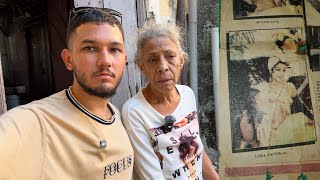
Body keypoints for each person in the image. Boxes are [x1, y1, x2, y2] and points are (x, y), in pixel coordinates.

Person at [0, 7, 133, 179]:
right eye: (90, 48)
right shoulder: (37, 122)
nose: (105, 61)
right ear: (68, 59)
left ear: (124, 59)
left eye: (114, 49)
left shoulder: (115, 114)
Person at [121, 23, 219, 180]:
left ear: (181, 61)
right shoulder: (134, 111)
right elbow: (152, 176)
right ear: (141, 67)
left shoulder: (187, 94)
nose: (163, 67)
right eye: (152, 60)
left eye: (170, 56)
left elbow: (196, 148)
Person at [239, 56, 315, 148]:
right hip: (268, 128)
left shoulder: (289, 87)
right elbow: (251, 104)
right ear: (271, 71)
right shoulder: (263, 87)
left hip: (285, 125)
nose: (281, 73)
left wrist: (311, 117)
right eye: (278, 70)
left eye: (284, 70)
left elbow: (299, 105)